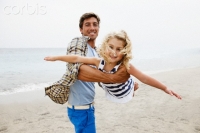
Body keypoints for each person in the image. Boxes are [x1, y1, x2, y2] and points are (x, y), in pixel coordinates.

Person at [45, 13, 131, 133]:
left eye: (95, 24)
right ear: (81, 29)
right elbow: (77, 71)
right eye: (87, 25)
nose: (92, 27)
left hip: (87, 108)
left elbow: (102, 80)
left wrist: (125, 86)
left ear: (98, 28)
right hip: (80, 109)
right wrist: (113, 78)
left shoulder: (96, 52)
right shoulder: (78, 43)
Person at [44, 30, 182, 104]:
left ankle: (133, 86)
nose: (114, 52)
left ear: (124, 51)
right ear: (105, 46)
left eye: (119, 49)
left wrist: (165, 88)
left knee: (130, 85)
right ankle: (131, 84)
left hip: (124, 90)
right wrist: (55, 58)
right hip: (111, 90)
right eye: (111, 47)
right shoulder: (98, 61)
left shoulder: (126, 66)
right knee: (103, 80)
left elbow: (144, 78)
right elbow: (77, 58)